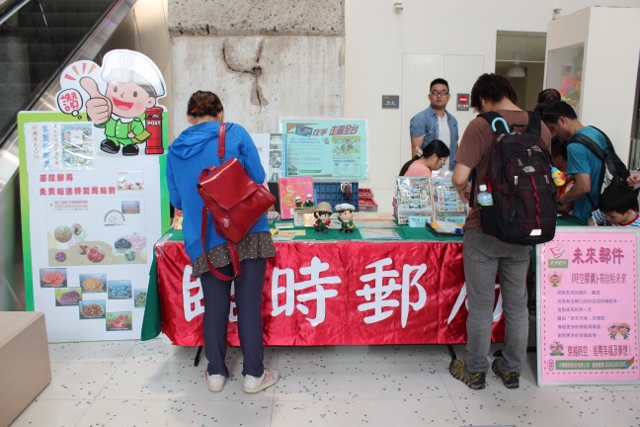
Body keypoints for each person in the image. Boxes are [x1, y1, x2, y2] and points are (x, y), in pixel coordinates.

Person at [166, 90, 280, 394]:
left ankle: (216, 373)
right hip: (249, 232)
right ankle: (254, 375)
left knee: (214, 306)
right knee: (248, 305)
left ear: (189, 118)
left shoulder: (174, 151)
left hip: (204, 238)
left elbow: (176, 199)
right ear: (220, 115)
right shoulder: (236, 133)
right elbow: (257, 175)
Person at [451, 73, 552, 390]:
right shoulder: (539, 126)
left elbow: (458, 177)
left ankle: (475, 370)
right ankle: (511, 370)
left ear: (482, 100)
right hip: (525, 228)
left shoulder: (482, 125)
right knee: (517, 306)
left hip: (485, 228)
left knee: (481, 306)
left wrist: (465, 191)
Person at [81, 50, 165, 156]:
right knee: (110, 142)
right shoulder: (110, 117)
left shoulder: (135, 122)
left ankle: (129, 146)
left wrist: (134, 137)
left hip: (128, 141)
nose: (122, 95)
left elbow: (142, 134)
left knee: (129, 146)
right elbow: (100, 123)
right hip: (111, 139)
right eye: (115, 89)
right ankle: (112, 143)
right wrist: (95, 115)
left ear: (150, 101)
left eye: (134, 93)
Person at [542, 101, 609, 223]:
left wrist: (558, 200)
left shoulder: (575, 146)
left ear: (562, 120)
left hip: (589, 214)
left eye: (553, 128)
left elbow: (583, 186)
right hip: (605, 211)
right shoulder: (596, 133)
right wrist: (572, 175)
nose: (554, 134)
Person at [409, 78, 459, 170]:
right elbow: (416, 150)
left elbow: (455, 147)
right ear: (429, 96)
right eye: (435, 92)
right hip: (429, 174)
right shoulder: (420, 119)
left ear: (448, 96)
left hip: (450, 173)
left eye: (443, 93)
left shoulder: (453, 121)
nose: (439, 96)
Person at [550, 136, 575, 215]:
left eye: (550, 157)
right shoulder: (552, 174)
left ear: (559, 158)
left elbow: (565, 208)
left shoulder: (572, 178)